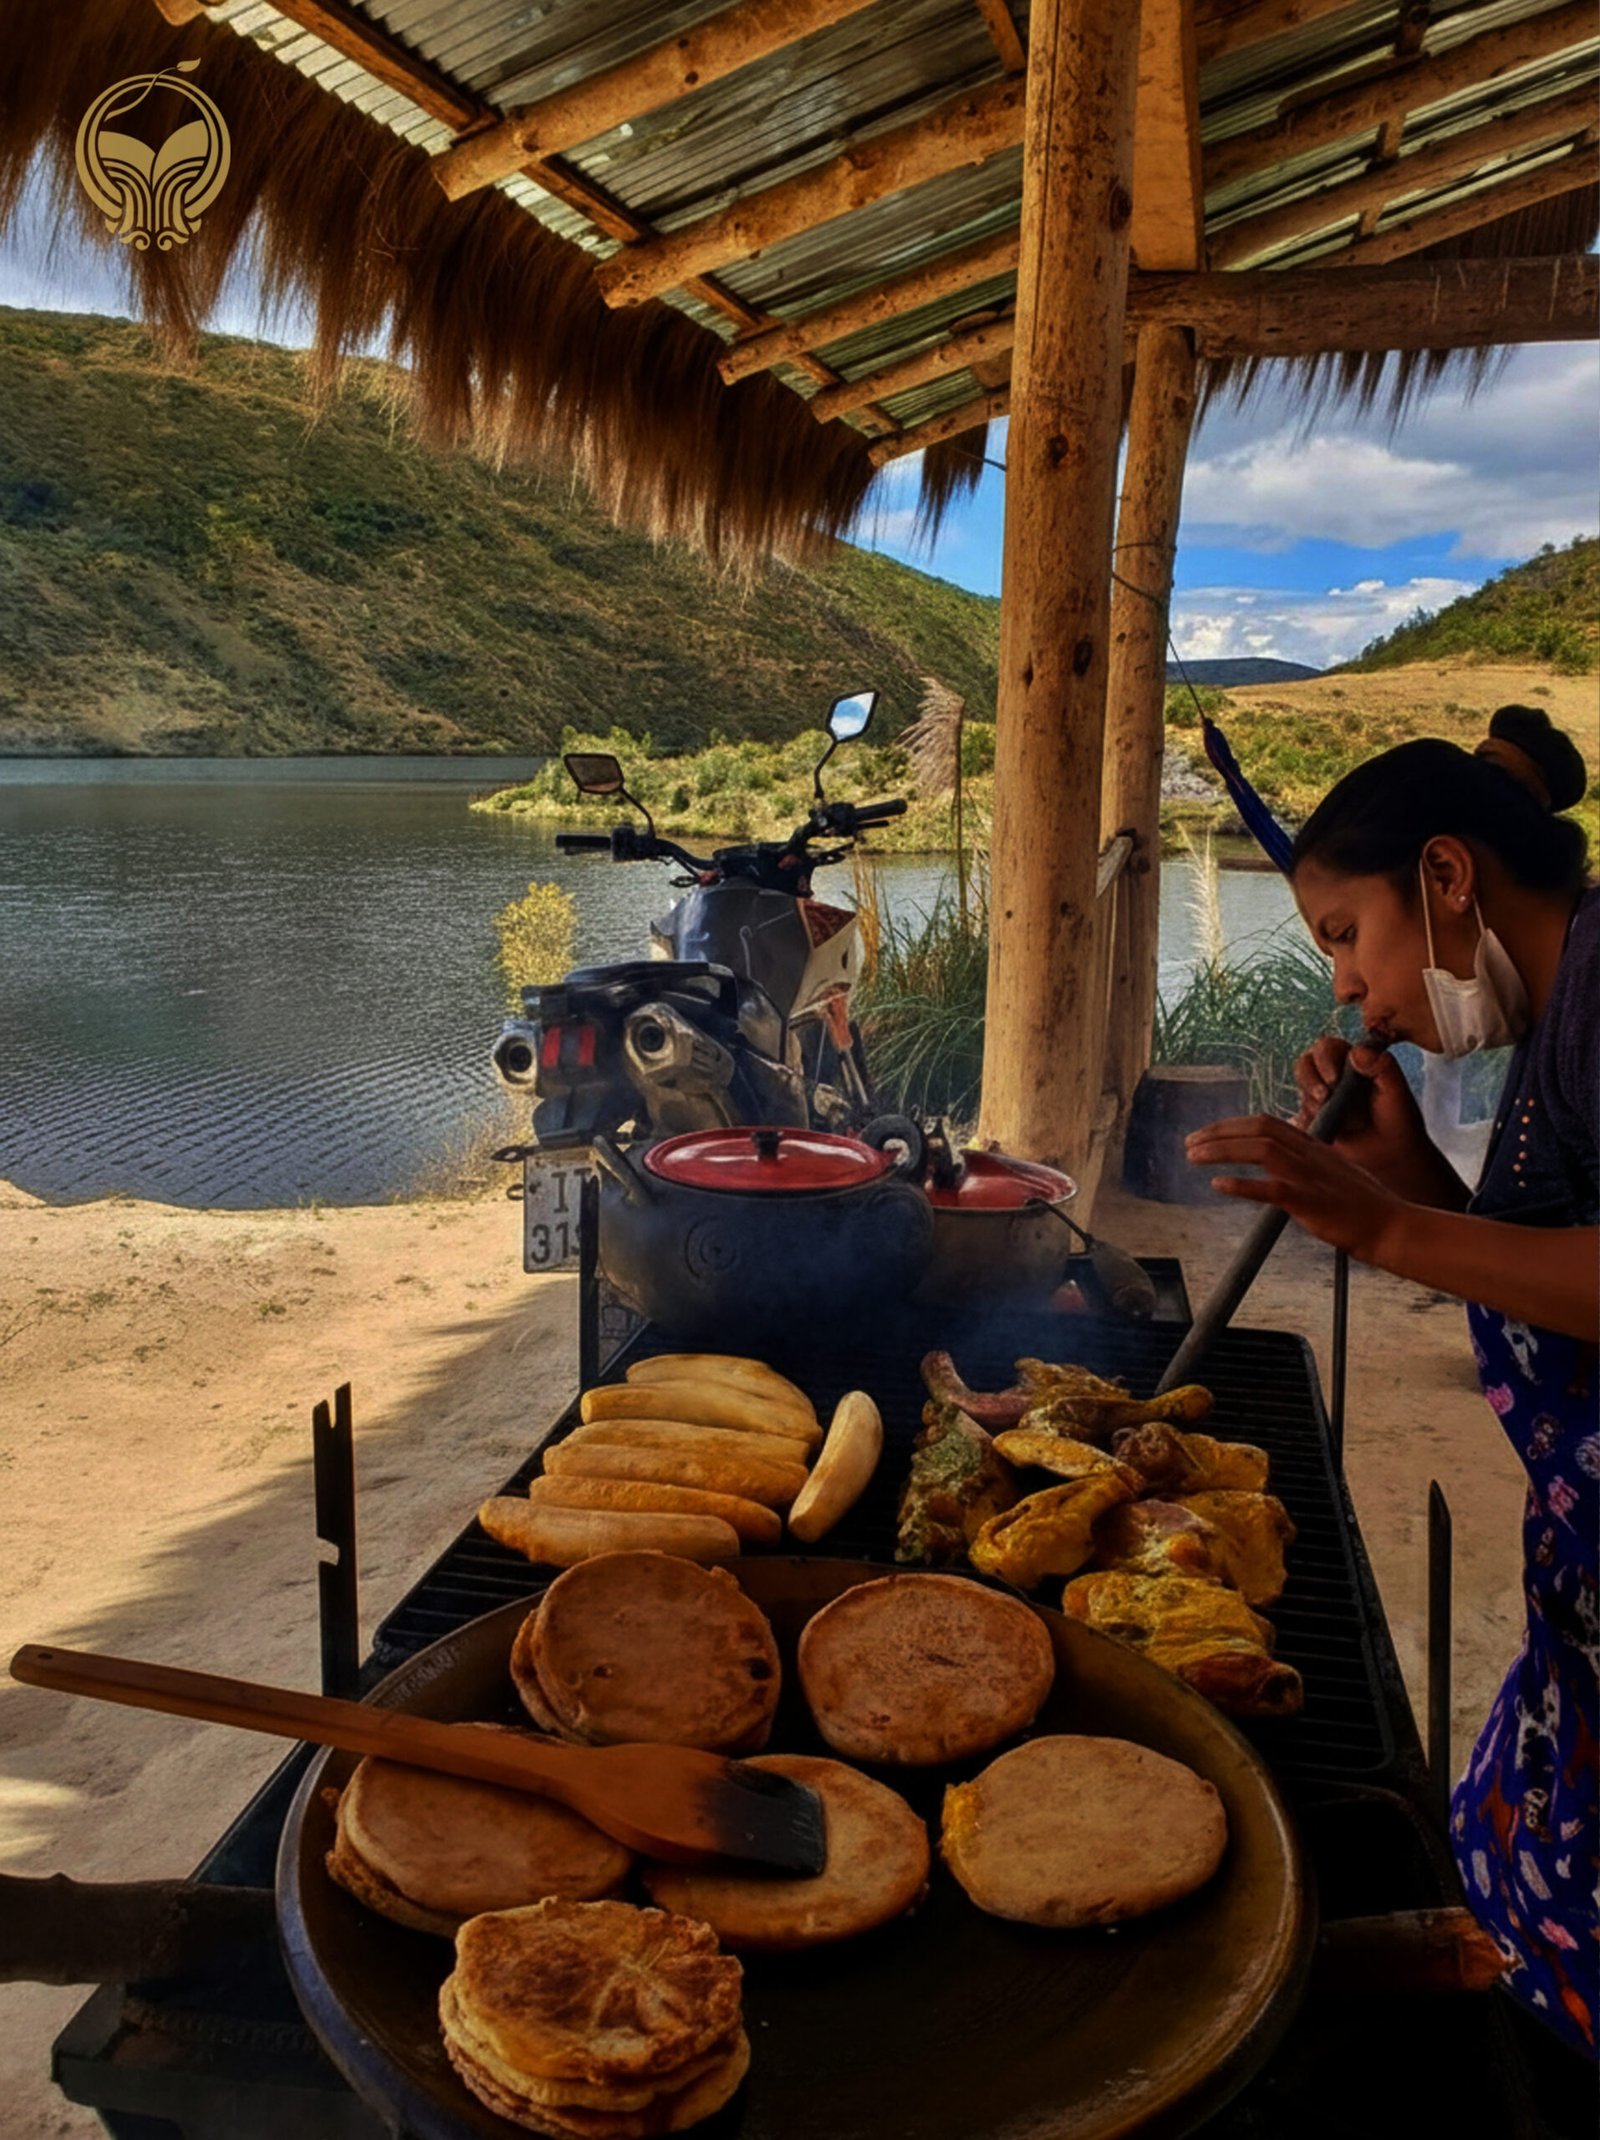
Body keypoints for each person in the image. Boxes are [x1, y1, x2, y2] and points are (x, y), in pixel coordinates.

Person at [1185, 705, 1598, 2060]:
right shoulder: (1557, 1015)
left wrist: (1386, 1229)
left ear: (1446, 874)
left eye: (1344, 935)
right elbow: (1552, 1270)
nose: (1347, 990)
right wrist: (1407, 1177)